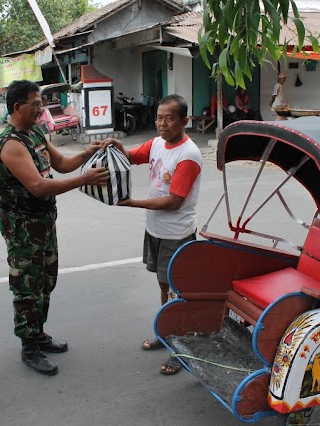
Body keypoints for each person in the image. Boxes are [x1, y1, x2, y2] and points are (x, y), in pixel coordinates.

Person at [0, 80, 109, 376]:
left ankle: (39, 332)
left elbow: (61, 164)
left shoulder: (35, 132)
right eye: (36, 104)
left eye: (40, 104)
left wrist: (87, 153)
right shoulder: (10, 144)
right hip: (22, 228)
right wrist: (85, 180)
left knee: (45, 280)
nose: (41, 109)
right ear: (18, 107)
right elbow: (38, 186)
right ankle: (28, 346)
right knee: (27, 287)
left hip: (44, 222)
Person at [100, 94, 202, 376]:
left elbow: (174, 202)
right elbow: (133, 157)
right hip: (155, 229)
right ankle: (167, 331)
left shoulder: (189, 155)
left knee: (176, 291)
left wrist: (131, 202)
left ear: (184, 121)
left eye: (170, 118)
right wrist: (117, 146)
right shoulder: (158, 144)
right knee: (163, 286)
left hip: (176, 234)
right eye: (159, 117)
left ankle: (182, 349)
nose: (162, 123)